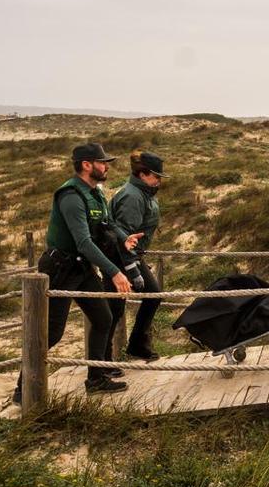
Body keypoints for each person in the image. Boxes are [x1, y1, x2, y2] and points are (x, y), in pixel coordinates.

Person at [13, 142, 144, 403]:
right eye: (102, 162)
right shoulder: (71, 195)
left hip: (82, 267)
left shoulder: (94, 193)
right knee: (52, 332)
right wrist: (115, 272)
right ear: (87, 165)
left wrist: (123, 238)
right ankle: (23, 389)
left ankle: (96, 379)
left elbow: (106, 223)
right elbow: (83, 241)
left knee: (103, 318)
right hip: (60, 268)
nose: (106, 166)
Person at [107, 150, 166, 361]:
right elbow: (122, 236)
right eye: (156, 176)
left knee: (148, 297)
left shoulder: (144, 193)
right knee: (114, 310)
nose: (159, 180)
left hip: (131, 255)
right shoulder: (133, 196)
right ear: (143, 174)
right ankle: (103, 363)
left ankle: (136, 345)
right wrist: (132, 267)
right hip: (119, 258)